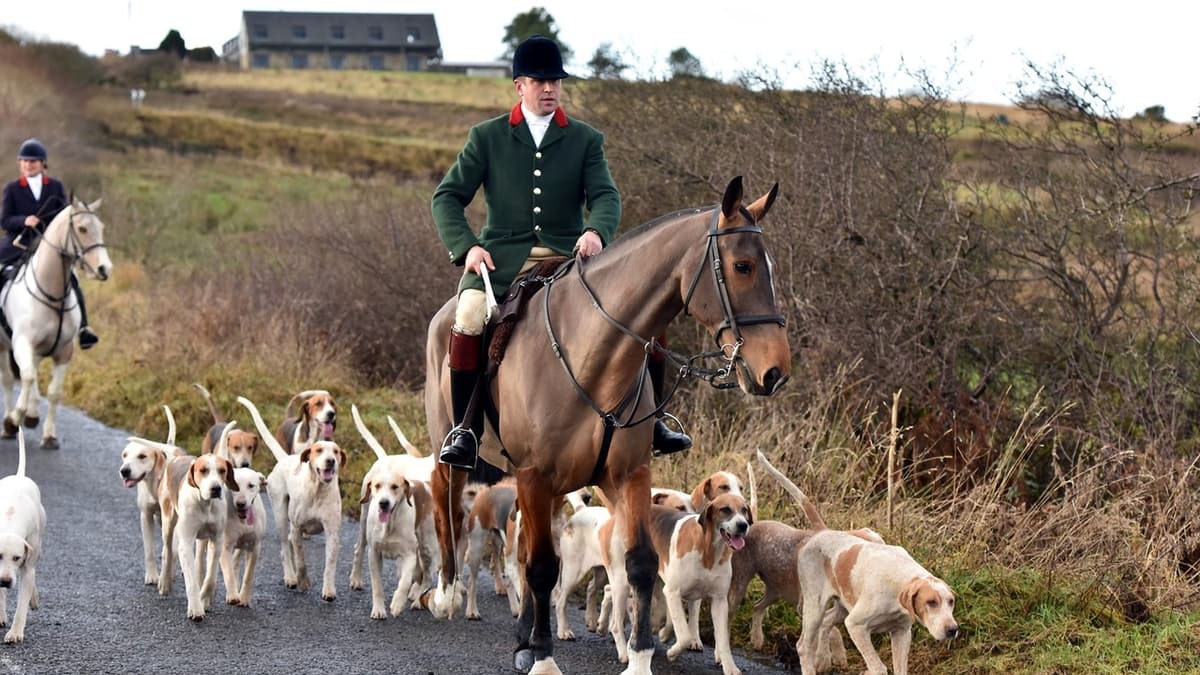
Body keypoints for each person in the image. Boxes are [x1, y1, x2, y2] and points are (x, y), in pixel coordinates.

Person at [431, 35, 690, 471]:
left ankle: (655, 421)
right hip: (500, 261)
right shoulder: (487, 137)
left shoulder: (585, 140)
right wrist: (468, 247)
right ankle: (466, 428)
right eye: (540, 81)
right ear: (520, 85)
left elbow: (606, 195)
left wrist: (595, 231)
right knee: (470, 313)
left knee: (645, 310)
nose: (550, 88)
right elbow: (447, 197)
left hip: (572, 258)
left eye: (555, 81)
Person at [0, 138, 99, 349]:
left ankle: (83, 329)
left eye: (33, 161)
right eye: (25, 161)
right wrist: (24, 220)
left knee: (72, 279)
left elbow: (65, 216)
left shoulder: (55, 186)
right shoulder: (12, 188)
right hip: (19, 242)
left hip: (48, 244)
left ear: (43, 163)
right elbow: (5, 220)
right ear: (20, 164)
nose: (28, 165)